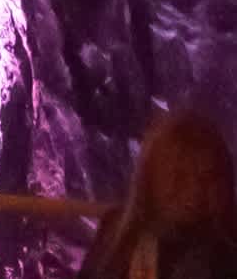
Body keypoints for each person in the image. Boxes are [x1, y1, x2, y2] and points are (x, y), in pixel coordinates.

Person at [81, 110, 237, 279]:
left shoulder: (228, 250)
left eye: (207, 178)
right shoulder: (114, 230)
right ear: (150, 178)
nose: (195, 190)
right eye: (179, 176)